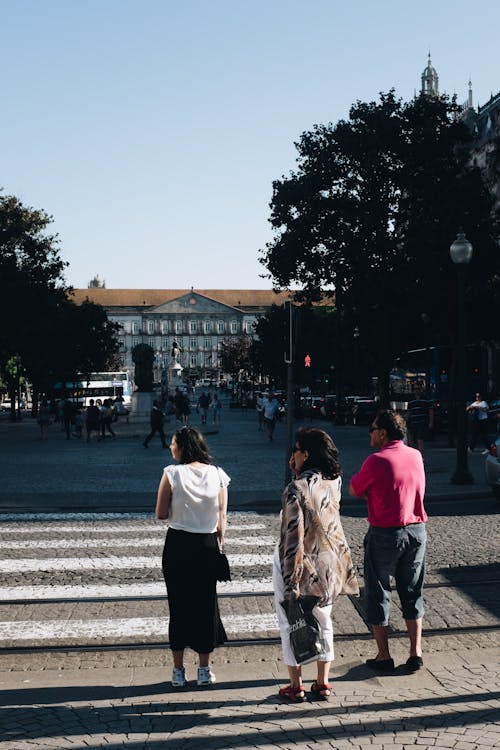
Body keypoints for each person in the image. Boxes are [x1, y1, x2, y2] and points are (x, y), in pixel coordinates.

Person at [274, 427, 359, 702]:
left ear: (305, 454)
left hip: (303, 564)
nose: (292, 456)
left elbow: (292, 539)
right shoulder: (335, 481)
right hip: (329, 561)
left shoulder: (295, 488)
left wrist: (290, 582)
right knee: (324, 619)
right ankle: (323, 683)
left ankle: (296, 684)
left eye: (295, 452)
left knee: (291, 620)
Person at [349, 409, 427, 673]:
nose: (370, 433)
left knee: (378, 591)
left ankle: (384, 655)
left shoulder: (376, 460)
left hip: (384, 533)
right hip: (416, 530)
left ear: (382, 433)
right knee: (412, 590)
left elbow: (355, 489)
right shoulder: (416, 455)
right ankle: (415, 652)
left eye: (372, 429)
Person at [155, 426, 230, 687]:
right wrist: (219, 544)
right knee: (205, 606)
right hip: (207, 545)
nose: (170, 447)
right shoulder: (218, 475)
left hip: (178, 544)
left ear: (183, 447)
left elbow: (160, 513)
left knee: (178, 606)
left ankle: (178, 671)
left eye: (173, 443)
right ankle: (204, 670)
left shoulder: (171, 473)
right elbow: (222, 519)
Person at [406, 388, 434, 458]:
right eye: (415, 389)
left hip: (422, 422)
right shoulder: (411, 400)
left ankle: (421, 456)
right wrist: (405, 420)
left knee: (420, 439)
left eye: (418, 388)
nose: (417, 390)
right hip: (413, 422)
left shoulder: (426, 399)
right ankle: (414, 455)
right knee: (412, 439)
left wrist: (431, 422)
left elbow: (431, 411)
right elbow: (409, 411)